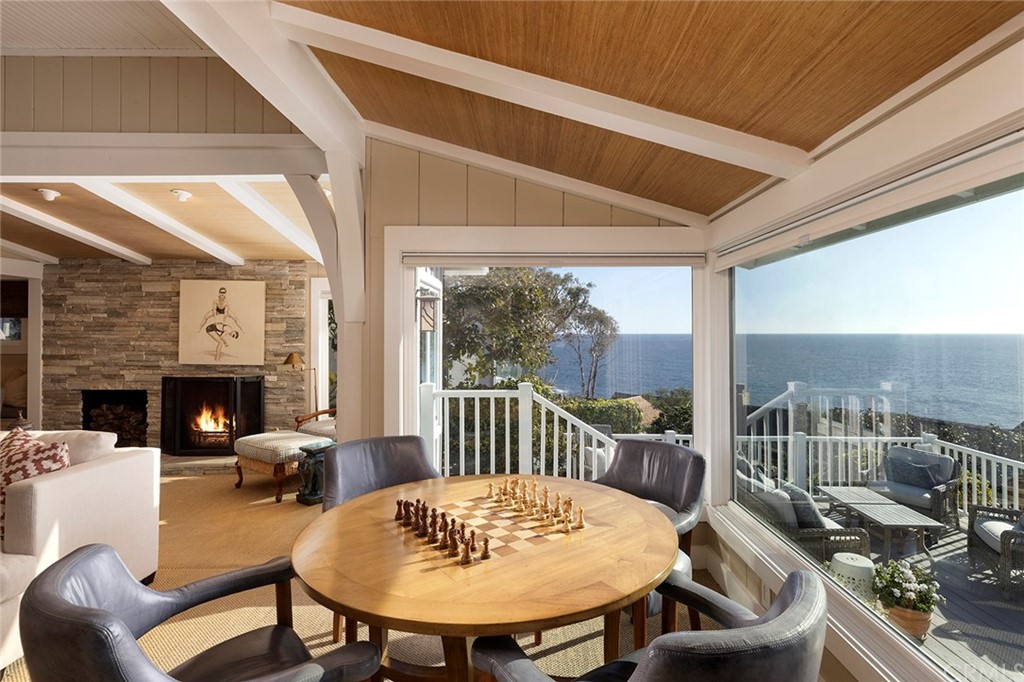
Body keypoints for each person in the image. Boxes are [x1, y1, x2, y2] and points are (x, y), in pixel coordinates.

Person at [197, 287, 244, 360]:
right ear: (219, 293)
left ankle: (242, 328)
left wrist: (223, 321)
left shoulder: (227, 302)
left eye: (224, 293)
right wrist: (216, 319)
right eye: (221, 293)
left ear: (225, 294)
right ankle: (199, 328)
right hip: (217, 313)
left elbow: (226, 313)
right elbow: (214, 310)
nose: (222, 294)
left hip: (223, 312)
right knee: (206, 316)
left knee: (235, 318)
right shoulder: (215, 301)